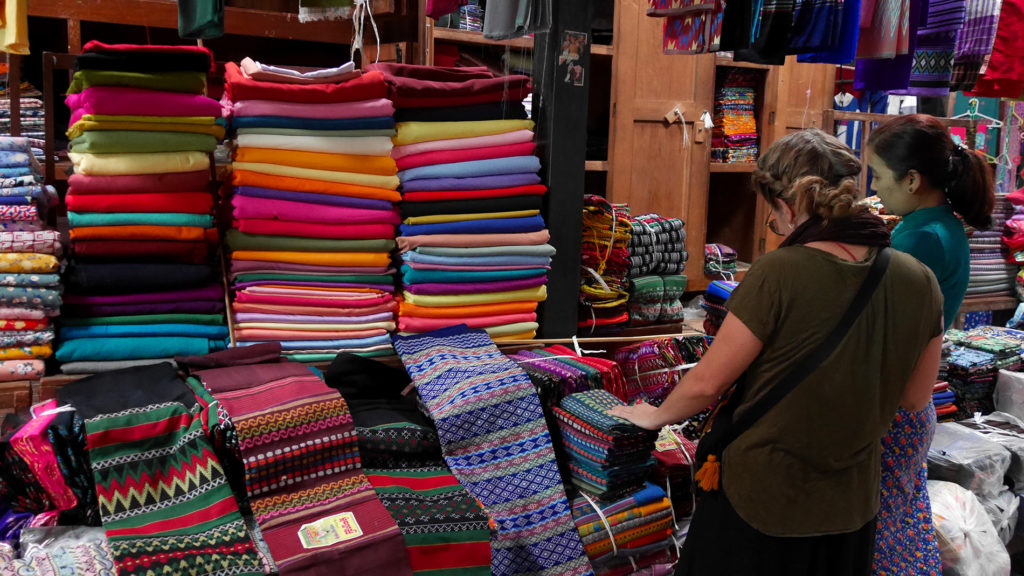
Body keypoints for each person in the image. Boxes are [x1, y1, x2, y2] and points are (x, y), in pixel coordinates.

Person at [609, 128, 944, 576]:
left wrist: (651, 416)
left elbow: (708, 381)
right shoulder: (920, 279)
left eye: (774, 215)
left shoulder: (779, 272)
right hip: (850, 506)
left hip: (763, 502)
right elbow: (915, 398)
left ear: (787, 206)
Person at [862, 115, 995, 575]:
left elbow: (874, 317)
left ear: (912, 180)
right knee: (898, 519)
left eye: (878, 176)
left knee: (884, 531)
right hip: (908, 392)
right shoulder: (939, 225)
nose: (875, 189)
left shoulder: (921, 236)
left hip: (895, 397)